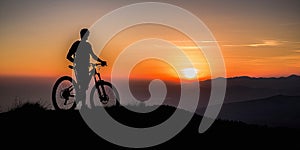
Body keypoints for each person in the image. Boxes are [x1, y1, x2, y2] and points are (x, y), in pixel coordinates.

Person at [66, 28, 106, 108]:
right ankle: (83, 105)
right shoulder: (77, 44)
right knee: (83, 86)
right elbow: (68, 56)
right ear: (83, 35)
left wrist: (101, 61)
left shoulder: (88, 45)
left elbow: (93, 55)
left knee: (84, 87)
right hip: (79, 67)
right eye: (86, 35)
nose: (87, 36)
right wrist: (76, 62)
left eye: (87, 35)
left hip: (85, 67)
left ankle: (83, 105)